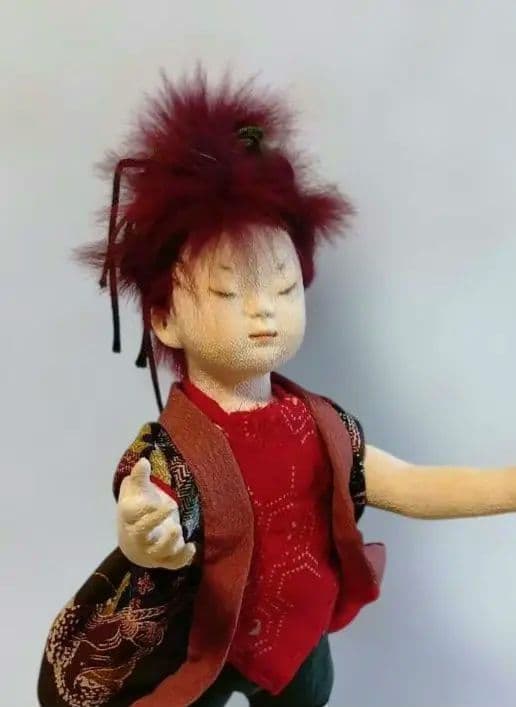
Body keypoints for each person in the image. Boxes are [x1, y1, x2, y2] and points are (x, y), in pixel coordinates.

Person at [37, 68, 516, 707]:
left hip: (298, 635)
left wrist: (507, 486)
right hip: (199, 639)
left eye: (284, 288)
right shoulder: (171, 454)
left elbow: (404, 483)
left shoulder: (320, 428)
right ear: (165, 318)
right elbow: (142, 508)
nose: (264, 309)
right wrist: (143, 535)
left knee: (307, 697)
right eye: (228, 292)